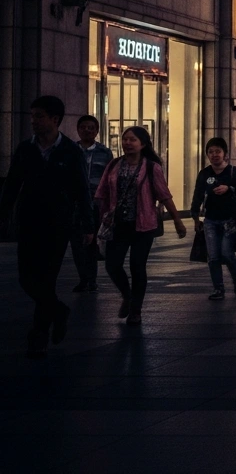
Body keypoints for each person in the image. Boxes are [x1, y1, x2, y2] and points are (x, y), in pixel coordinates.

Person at [0, 96, 96, 357]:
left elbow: (81, 190)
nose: (33, 120)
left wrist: (88, 224)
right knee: (25, 278)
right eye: (32, 115)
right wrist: (4, 214)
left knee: (47, 279)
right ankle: (58, 311)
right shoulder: (25, 149)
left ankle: (39, 332)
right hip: (28, 222)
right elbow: (11, 185)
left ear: (55, 120)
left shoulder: (70, 151)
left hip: (57, 225)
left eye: (39, 116)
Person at [95, 126, 186, 325]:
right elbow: (102, 193)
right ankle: (127, 295)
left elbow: (164, 195)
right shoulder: (114, 165)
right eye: (125, 139)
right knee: (112, 264)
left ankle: (135, 310)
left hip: (143, 225)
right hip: (118, 224)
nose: (127, 143)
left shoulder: (152, 167)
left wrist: (178, 220)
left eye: (132, 140)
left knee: (137, 266)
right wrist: (100, 218)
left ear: (142, 144)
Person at [190, 137, 236, 300]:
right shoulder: (204, 173)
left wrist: (228, 188)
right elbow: (198, 195)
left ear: (225, 154)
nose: (214, 155)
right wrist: (195, 216)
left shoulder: (232, 171)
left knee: (227, 253)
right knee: (213, 256)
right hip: (210, 220)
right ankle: (218, 289)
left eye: (218, 151)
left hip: (229, 220)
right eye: (211, 152)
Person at [71, 113, 112, 293]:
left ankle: (92, 279)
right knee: (77, 242)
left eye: (91, 128)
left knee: (92, 241)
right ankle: (83, 278)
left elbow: (110, 177)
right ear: (78, 129)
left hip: (96, 202)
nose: (87, 130)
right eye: (83, 127)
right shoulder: (70, 150)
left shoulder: (104, 152)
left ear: (96, 131)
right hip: (74, 203)